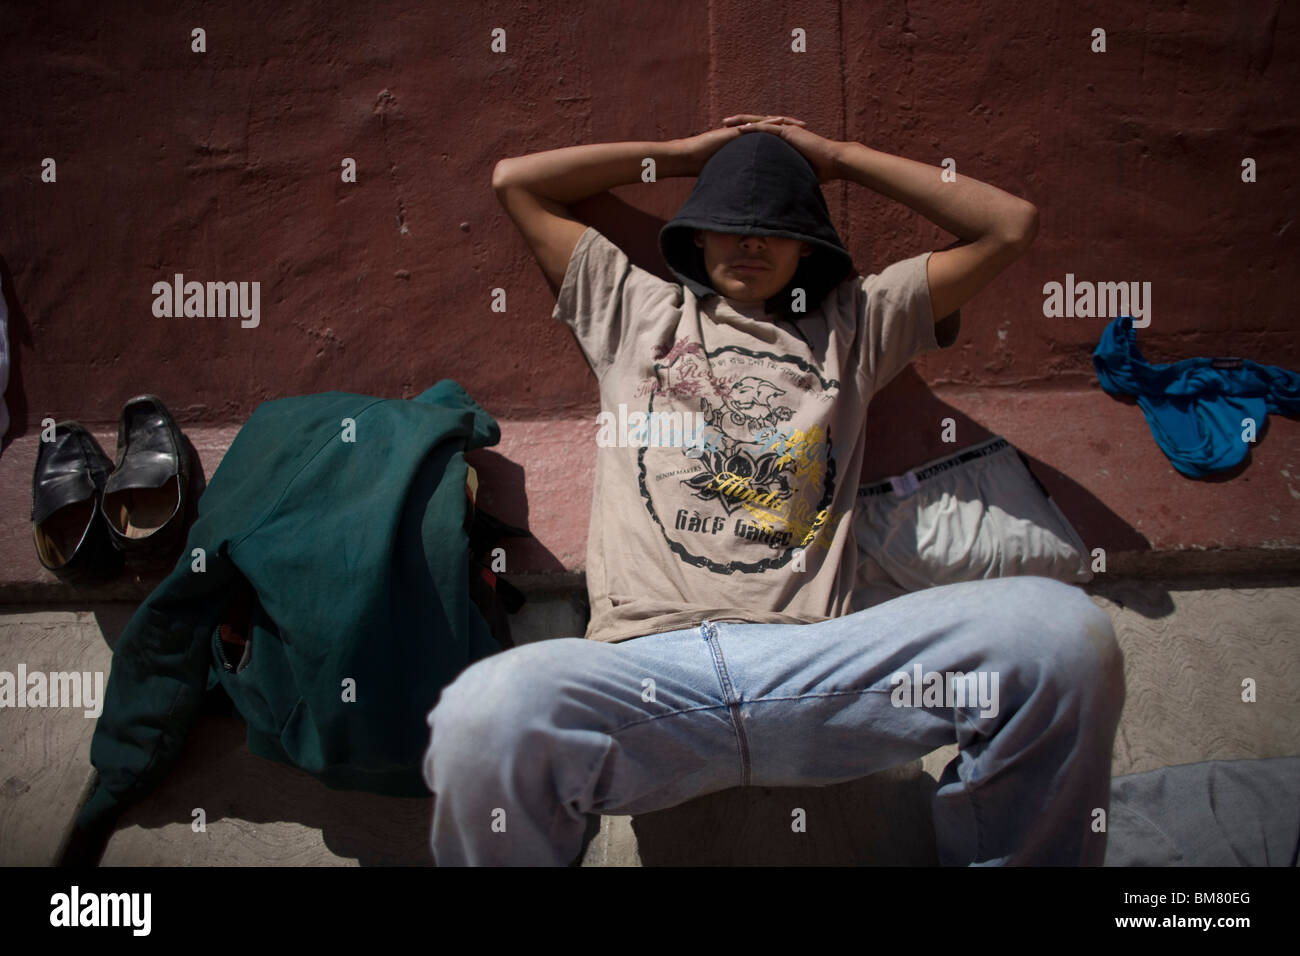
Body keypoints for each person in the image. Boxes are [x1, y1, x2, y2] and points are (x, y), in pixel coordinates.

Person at [422, 114, 1125, 866]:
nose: (749, 242)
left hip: (817, 670)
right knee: (481, 711)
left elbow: (1009, 226)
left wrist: (840, 159)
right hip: (649, 674)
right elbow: (516, 182)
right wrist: (686, 156)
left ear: (810, 247)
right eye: (728, 226)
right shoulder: (633, 312)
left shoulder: (854, 326)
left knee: (1057, 634)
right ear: (696, 237)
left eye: (773, 231)